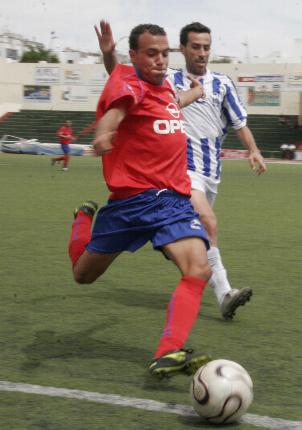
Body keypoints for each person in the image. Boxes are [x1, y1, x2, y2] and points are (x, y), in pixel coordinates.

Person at [96, 20, 267, 320]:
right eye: (196, 47)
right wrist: (109, 54)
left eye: (207, 47)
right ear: (183, 49)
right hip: (180, 169)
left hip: (211, 170)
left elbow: (240, 123)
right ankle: (224, 293)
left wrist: (253, 150)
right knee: (208, 221)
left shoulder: (222, 83)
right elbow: (120, 75)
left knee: (201, 232)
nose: (202, 53)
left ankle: (169, 242)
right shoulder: (166, 77)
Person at [69, 23, 212, 378]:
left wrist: (194, 94)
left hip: (171, 199)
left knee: (198, 269)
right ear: (134, 56)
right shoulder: (130, 86)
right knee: (82, 276)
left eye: (165, 53)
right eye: (151, 53)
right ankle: (82, 221)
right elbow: (113, 113)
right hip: (131, 203)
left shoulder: (162, 87)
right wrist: (103, 137)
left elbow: (170, 104)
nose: (161, 60)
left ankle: (167, 352)